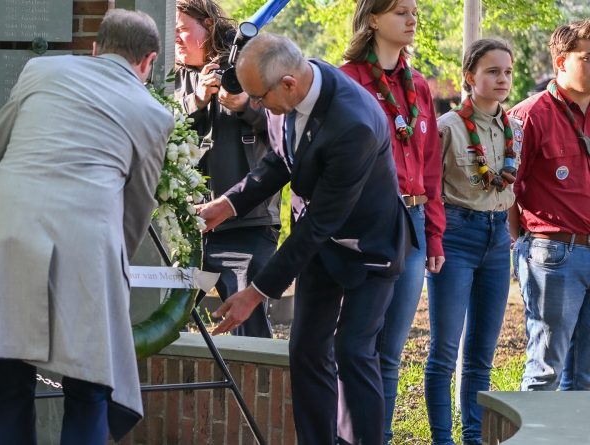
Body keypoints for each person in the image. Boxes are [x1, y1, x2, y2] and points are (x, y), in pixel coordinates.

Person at [0, 9, 174, 445]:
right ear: (149, 62)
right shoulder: (153, 114)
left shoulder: (41, 70)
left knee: (9, 375)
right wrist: (114, 264)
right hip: (86, 246)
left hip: (6, 233)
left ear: (95, 48)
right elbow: (136, 207)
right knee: (90, 384)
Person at [199, 33, 414, 445]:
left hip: (369, 247)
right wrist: (226, 205)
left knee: (353, 351)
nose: (257, 107)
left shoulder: (354, 124)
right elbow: (281, 158)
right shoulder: (287, 86)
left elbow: (319, 224)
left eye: (258, 98)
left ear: (288, 85)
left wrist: (256, 292)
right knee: (306, 351)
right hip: (321, 244)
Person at [338, 1, 445, 442]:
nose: (412, 18)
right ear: (374, 18)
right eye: (401, 10)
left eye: (414, 11)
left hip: (414, 221)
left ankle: (374, 438)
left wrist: (434, 235)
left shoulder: (418, 85)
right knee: (356, 346)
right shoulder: (346, 81)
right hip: (368, 222)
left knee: (391, 353)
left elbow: (431, 165)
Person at [425, 38, 520, 445]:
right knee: (444, 352)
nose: (502, 79)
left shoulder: (513, 128)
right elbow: (430, 192)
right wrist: (434, 242)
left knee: (481, 355)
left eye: (508, 72)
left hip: (498, 239)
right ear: (470, 77)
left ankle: (473, 439)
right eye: (492, 71)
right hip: (456, 235)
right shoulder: (447, 128)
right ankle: (442, 439)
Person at [174, 0, 280, 338]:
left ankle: (255, 393)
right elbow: (156, 131)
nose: (175, 39)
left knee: (248, 330)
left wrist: (246, 106)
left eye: (181, 30)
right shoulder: (170, 75)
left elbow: (285, 127)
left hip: (247, 225)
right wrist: (195, 101)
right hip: (187, 229)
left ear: (207, 25)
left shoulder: (250, 63)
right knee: (161, 319)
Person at [510, 19, 590, 392]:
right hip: (554, 253)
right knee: (545, 371)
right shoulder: (528, 115)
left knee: (586, 377)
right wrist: (520, 244)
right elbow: (506, 189)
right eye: (588, 57)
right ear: (561, 63)